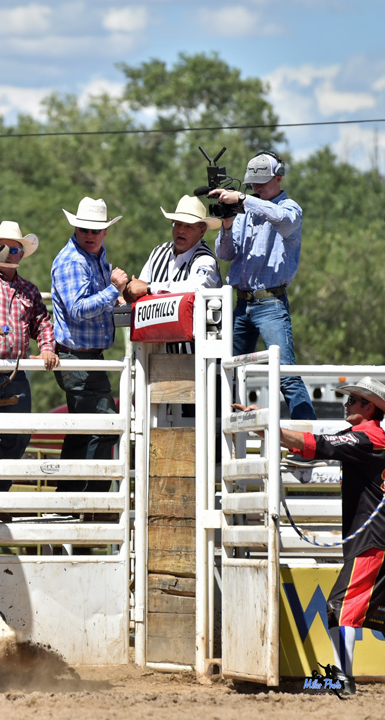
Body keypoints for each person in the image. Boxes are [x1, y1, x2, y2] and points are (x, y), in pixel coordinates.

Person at [235, 376, 385, 696]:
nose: (346, 404)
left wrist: (267, 426)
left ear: (369, 406)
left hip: (371, 541)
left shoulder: (366, 439)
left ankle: (342, 680)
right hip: (370, 539)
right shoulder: (365, 438)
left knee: (340, 607)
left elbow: (314, 444)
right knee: (349, 610)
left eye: (353, 400)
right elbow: (316, 442)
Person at [211, 151, 315, 420]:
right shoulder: (246, 212)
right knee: (223, 372)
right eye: (253, 184)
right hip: (242, 302)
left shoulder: (291, 208)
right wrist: (226, 221)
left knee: (286, 375)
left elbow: (282, 218)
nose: (256, 188)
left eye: (262, 183)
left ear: (278, 179)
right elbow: (224, 254)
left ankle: (309, 445)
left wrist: (244, 200)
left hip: (270, 303)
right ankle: (220, 442)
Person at [51, 197, 128, 492]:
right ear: (76, 228)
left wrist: (113, 296)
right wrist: (113, 291)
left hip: (86, 356)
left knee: (85, 428)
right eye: (85, 229)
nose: (90, 234)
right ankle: (92, 498)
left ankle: (72, 497)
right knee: (104, 424)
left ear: (105, 232)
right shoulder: (73, 261)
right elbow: (78, 309)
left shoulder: (94, 256)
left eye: (95, 230)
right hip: (77, 357)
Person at [0, 221, 58, 491]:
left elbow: (43, 323)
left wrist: (47, 348)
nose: (10, 253)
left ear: (22, 254)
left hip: (16, 373)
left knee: (18, 438)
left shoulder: (30, 290)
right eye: (4, 248)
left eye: (15, 249)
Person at [124, 195, 222, 355]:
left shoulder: (205, 260)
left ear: (202, 231)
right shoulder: (158, 252)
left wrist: (148, 288)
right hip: (154, 353)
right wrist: (129, 292)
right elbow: (138, 289)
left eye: (189, 226)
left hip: (195, 357)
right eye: (177, 224)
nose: (181, 230)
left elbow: (195, 290)